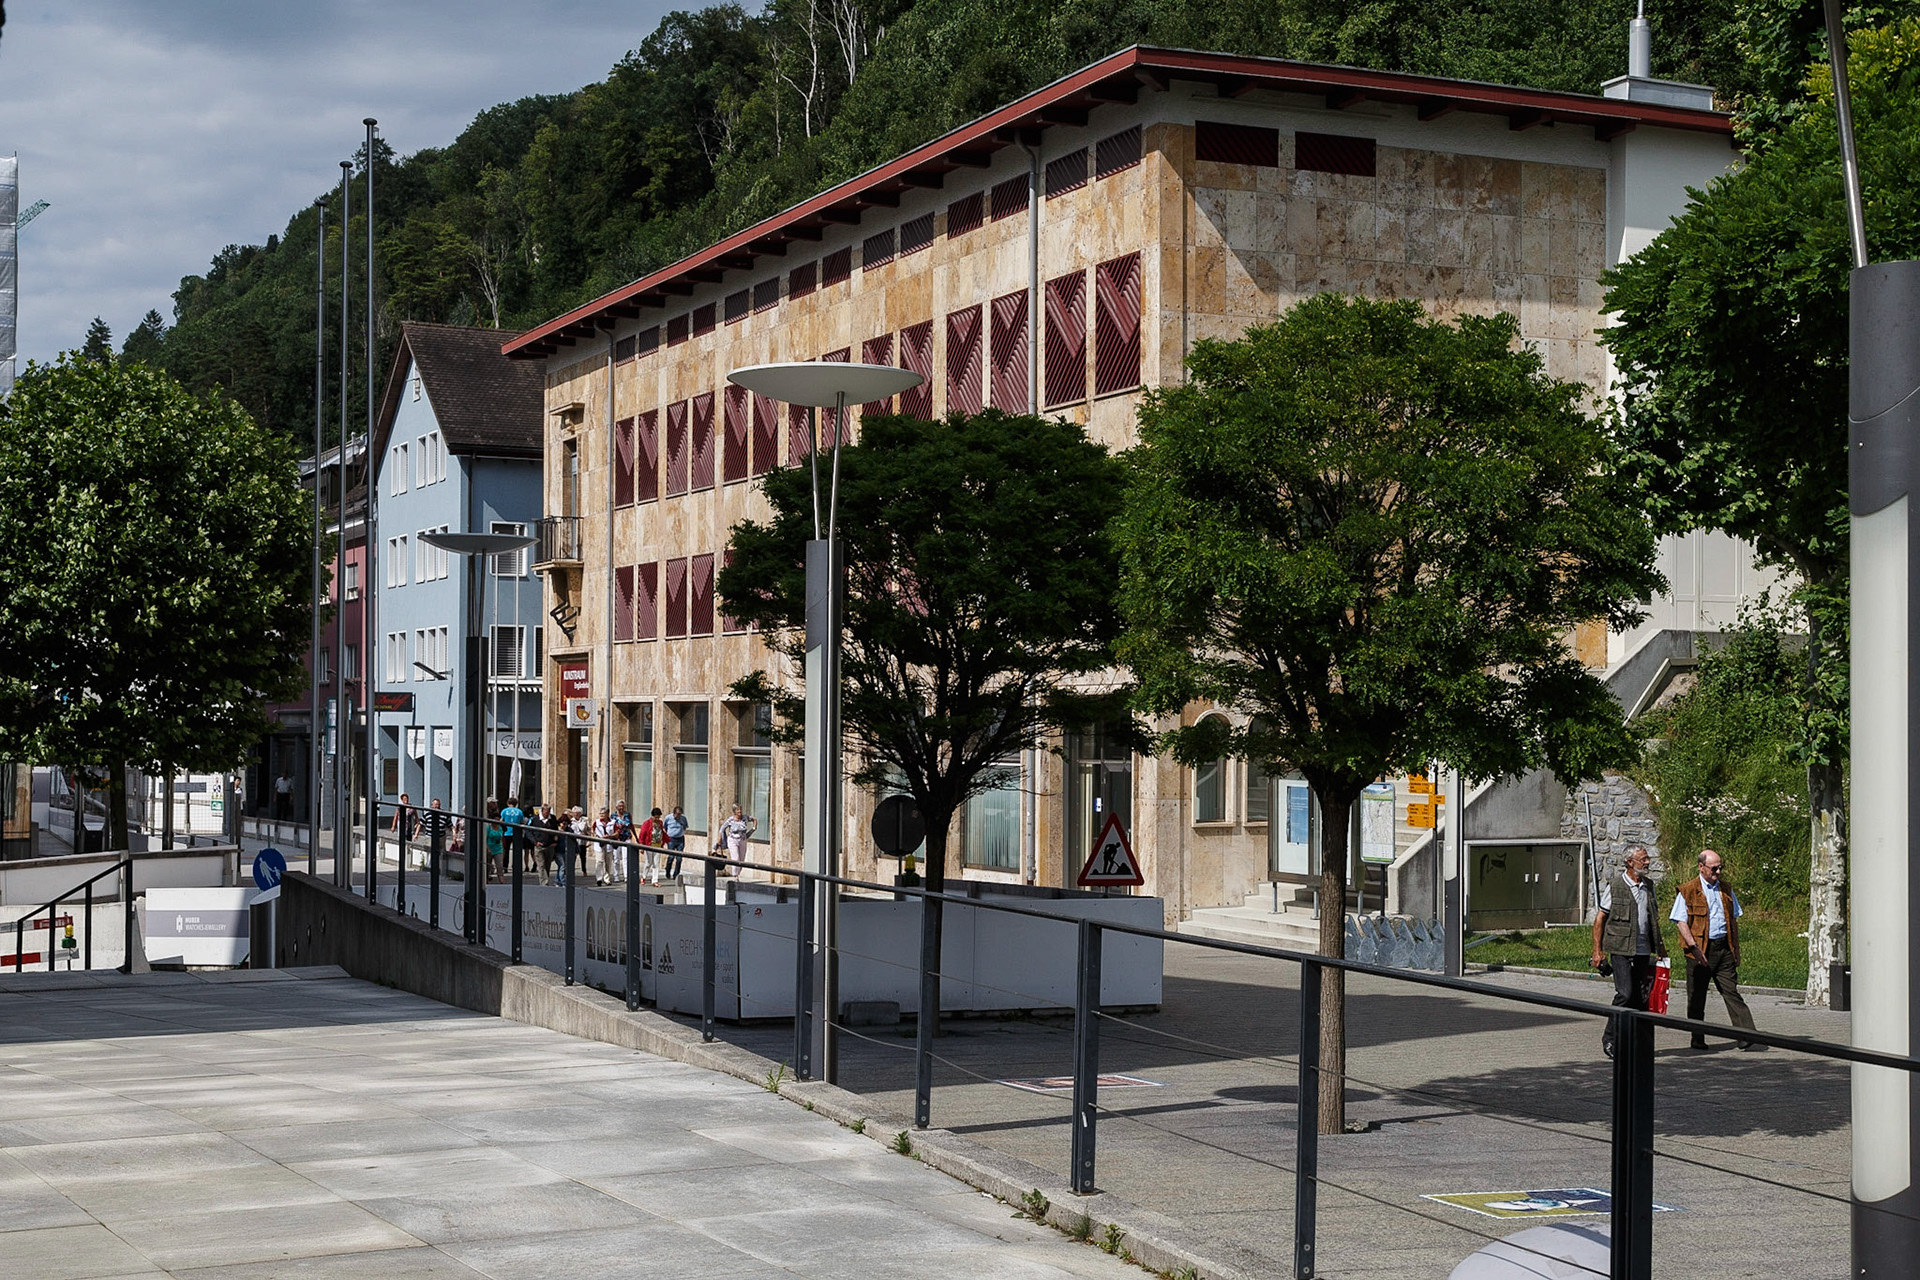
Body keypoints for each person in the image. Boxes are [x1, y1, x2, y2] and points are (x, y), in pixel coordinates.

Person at [1670, 848, 1763, 1051]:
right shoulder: (1688, 890)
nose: (1718, 872)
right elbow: (1680, 921)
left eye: (1720, 867)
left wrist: (1735, 950)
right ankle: (1697, 1037)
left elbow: (1733, 920)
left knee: (1731, 991)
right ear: (1701, 867)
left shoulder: (1726, 890)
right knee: (1696, 996)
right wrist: (1693, 947)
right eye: (1714, 868)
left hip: (1723, 949)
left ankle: (1745, 1034)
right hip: (1700, 950)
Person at [1590, 845, 1667, 1060]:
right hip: (1621, 948)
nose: (1647, 862)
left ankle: (1639, 1043)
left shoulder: (1648, 886)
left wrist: (1660, 947)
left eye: (1647, 858)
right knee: (1625, 993)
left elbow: (1654, 920)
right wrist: (1597, 952)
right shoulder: (1615, 886)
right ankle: (1610, 1039)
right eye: (1643, 859)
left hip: (1643, 949)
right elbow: (1600, 919)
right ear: (1629, 862)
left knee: (1640, 998)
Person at [719, 803, 756, 875]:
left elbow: (754, 819)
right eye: (738, 810)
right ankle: (735, 876)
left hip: (742, 840)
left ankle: (737, 874)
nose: (740, 811)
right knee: (736, 859)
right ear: (734, 811)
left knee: (741, 860)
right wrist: (719, 840)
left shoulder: (745, 818)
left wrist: (753, 829)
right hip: (733, 840)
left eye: (740, 809)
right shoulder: (730, 820)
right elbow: (722, 829)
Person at [531, 802, 561, 884]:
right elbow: (529, 831)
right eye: (545, 812)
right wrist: (535, 842)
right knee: (541, 865)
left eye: (548, 812)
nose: (546, 814)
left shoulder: (553, 819)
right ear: (542, 811)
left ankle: (545, 880)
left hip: (550, 846)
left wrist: (555, 841)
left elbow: (556, 830)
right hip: (539, 846)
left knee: (547, 865)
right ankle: (544, 882)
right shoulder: (535, 819)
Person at [636, 807, 666, 884]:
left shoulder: (660, 823)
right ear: (652, 816)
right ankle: (644, 877)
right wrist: (641, 846)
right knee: (648, 862)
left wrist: (665, 840)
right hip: (649, 845)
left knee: (656, 863)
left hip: (657, 845)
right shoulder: (647, 823)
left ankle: (655, 880)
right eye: (656, 817)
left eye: (658, 817)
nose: (657, 819)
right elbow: (642, 835)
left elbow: (662, 832)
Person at [593, 807, 622, 884]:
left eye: (603, 813)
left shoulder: (613, 822)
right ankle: (599, 878)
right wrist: (596, 836)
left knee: (608, 862)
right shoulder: (597, 822)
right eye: (600, 813)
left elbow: (617, 832)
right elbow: (592, 831)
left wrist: (610, 836)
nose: (601, 815)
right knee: (599, 861)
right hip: (599, 843)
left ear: (607, 814)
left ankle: (607, 878)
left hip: (609, 843)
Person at [499, 796, 527, 876]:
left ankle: (505, 867)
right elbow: (522, 821)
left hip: (507, 833)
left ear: (508, 803)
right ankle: (516, 867)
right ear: (516, 804)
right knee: (517, 851)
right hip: (516, 833)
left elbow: (501, 821)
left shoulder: (504, 811)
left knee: (506, 850)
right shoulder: (519, 811)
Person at [483, 801, 505, 881]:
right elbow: (485, 838)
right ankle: (486, 878)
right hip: (489, 847)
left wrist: (503, 848)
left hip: (498, 848)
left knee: (499, 865)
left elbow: (501, 837)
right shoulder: (488, 827)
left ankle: (501, 879)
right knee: (488, 865)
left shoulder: (500, 827)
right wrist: (487, 848)